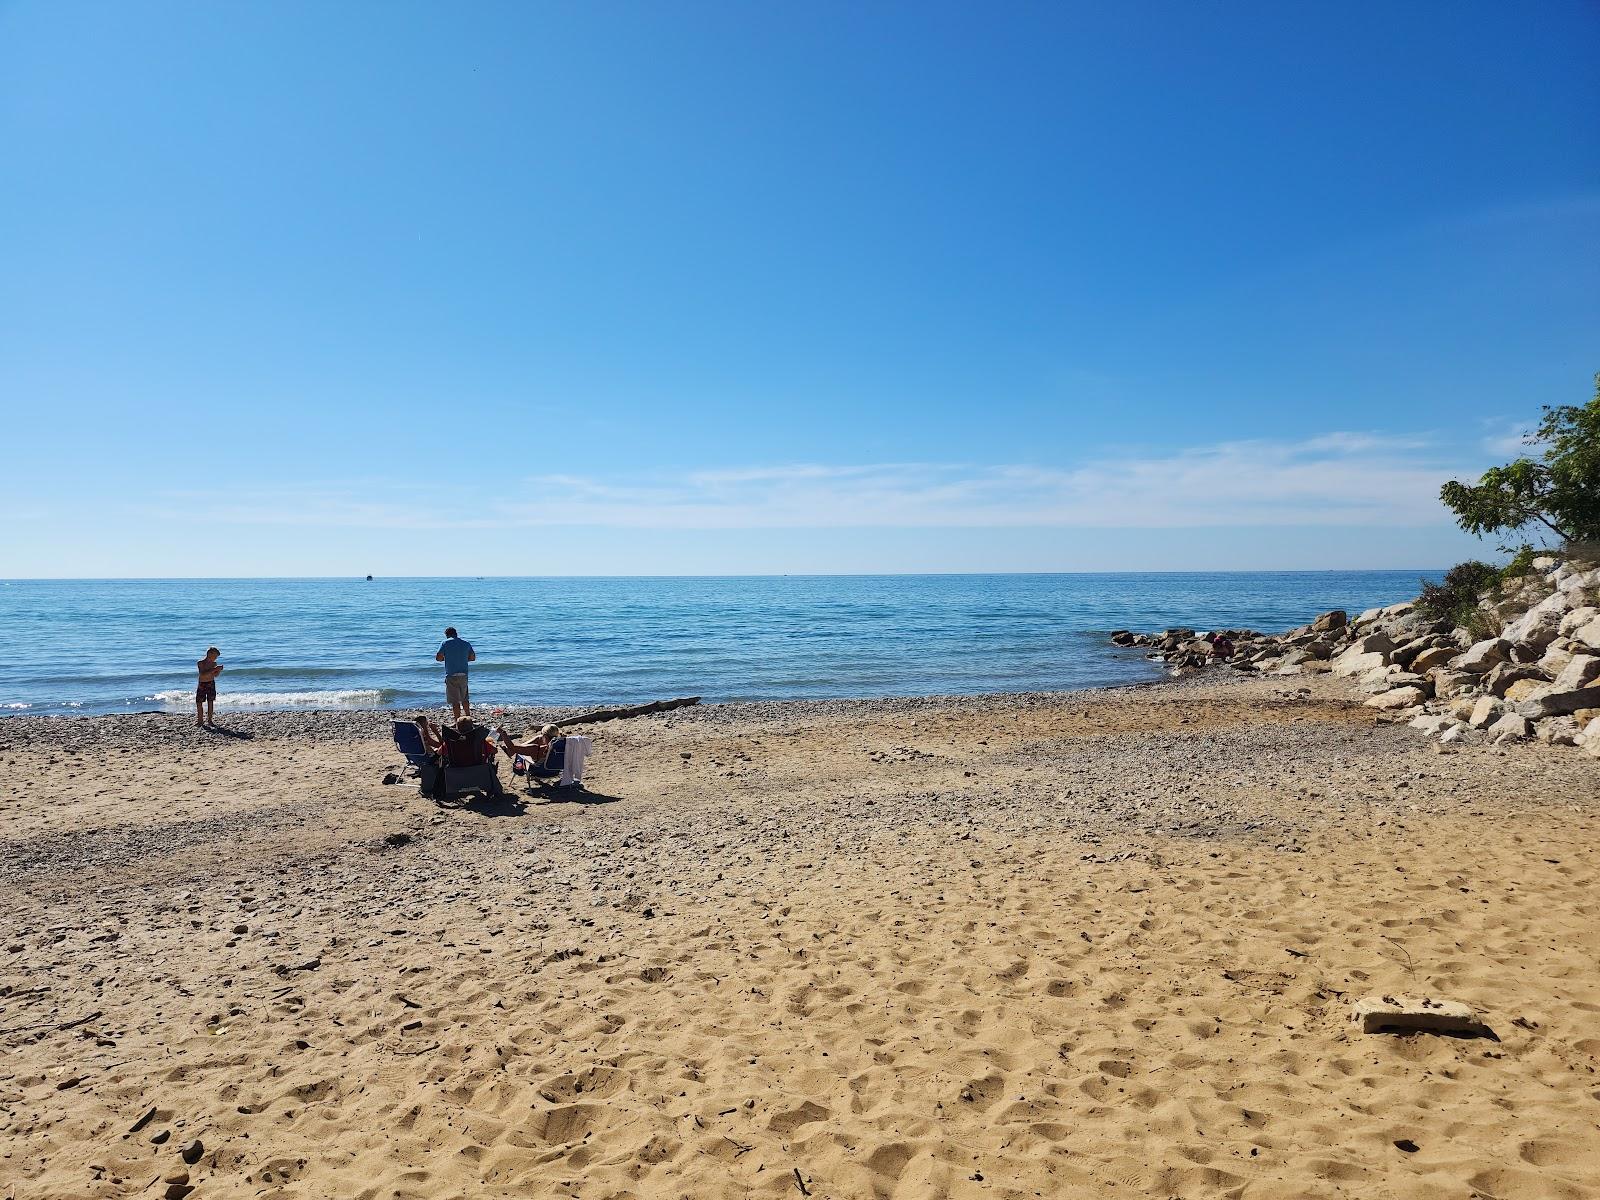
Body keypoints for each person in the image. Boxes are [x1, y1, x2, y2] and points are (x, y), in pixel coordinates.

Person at [435, 626, 477, 720]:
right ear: (456, 634)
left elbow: (438, 658)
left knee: (455, 701)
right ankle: (468, 718)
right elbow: (473, 658)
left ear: (447, 635)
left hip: (451, 675)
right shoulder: (466, 643)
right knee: (465, 698)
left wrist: (447, 658)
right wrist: (462, 659)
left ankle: (458, 720)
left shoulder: (445, 643)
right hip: (463, 674)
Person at [195, 647, 223, 726]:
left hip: (211, 683)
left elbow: (215, 675)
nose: (215, 659)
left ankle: (210, 720)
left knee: (210, 702)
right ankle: (200, 720)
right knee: (199, 702)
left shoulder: (214, 664)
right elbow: (203, 674)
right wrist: (214, 669)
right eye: (215, 657)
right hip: (202, 683)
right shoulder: (201, 663)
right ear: (209, 655)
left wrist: (218, 671)